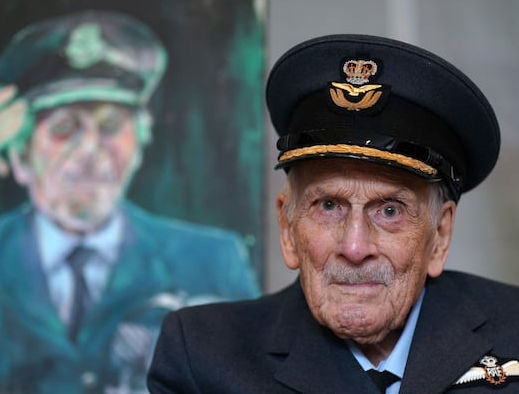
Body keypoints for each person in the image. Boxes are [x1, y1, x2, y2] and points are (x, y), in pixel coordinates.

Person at [147, 34, 519, 393]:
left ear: (440, 235)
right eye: (328, 206)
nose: (355, 247)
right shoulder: (203, 357)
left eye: (389, 210)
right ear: (288, 228)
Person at [0, 10, 259, 394]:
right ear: (21, 155)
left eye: (111, 126)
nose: (91, 151)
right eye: (64, 128)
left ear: (140, 145)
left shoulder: (211, 260)